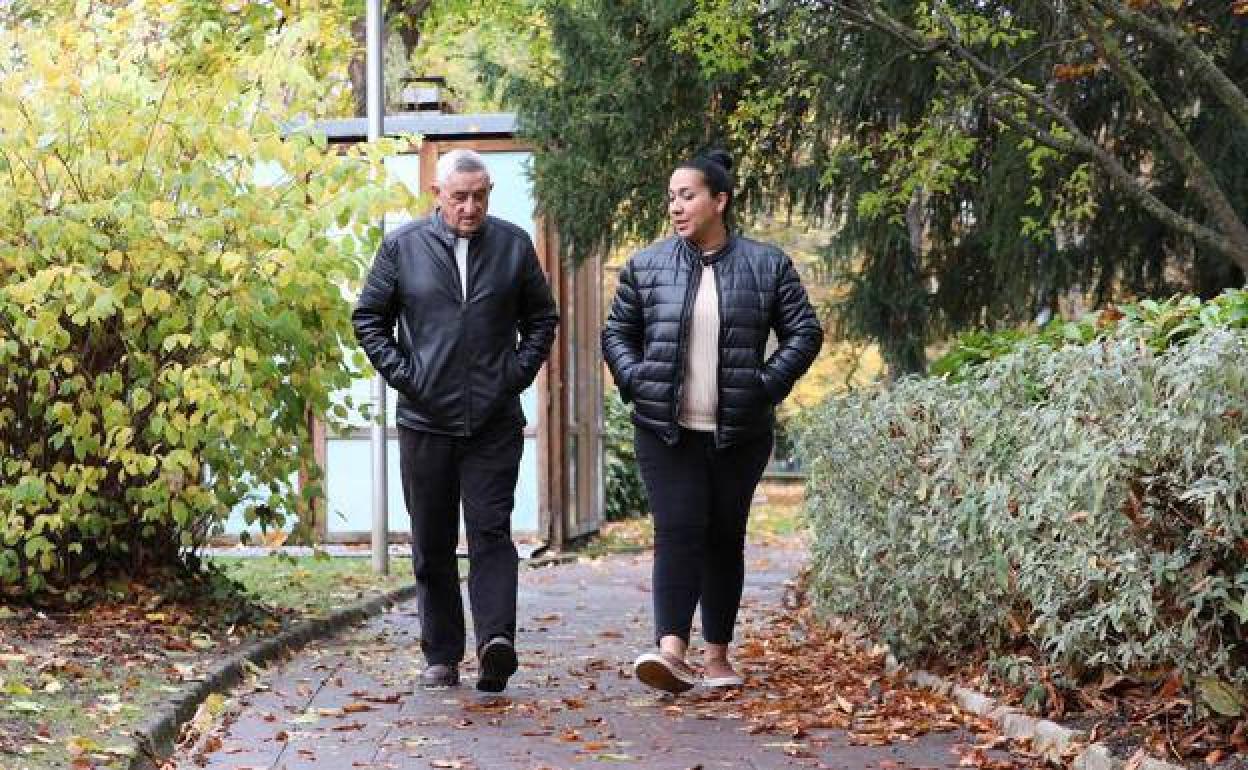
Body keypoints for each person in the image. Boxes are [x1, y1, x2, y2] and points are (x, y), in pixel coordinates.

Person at [602, 150, 823, 694]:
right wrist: (637, 381)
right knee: (677, 531)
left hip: (738, 433)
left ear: (719, 201)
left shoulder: (767, 265)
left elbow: (805, 332)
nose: (676, 206)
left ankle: (718, 656)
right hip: (664, 430)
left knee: (724, 538)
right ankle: (671, 652)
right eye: (672, 197)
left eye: (688, 196)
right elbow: (616, 335)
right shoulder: (646, 265)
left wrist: (764, 386)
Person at [352, 148, 558, 692]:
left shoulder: (513, 245)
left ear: (489, 193)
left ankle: (496, 643)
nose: (470, 207)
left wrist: (512, 377)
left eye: (480, 196)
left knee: (490, 532)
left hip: (494, 420)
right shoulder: (402, 246)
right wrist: (406, 375)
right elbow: (369, 318)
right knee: (433, 540)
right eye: (459, 196)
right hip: (425, 419)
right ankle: (441, 654)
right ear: (437, 195)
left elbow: (542, 319)